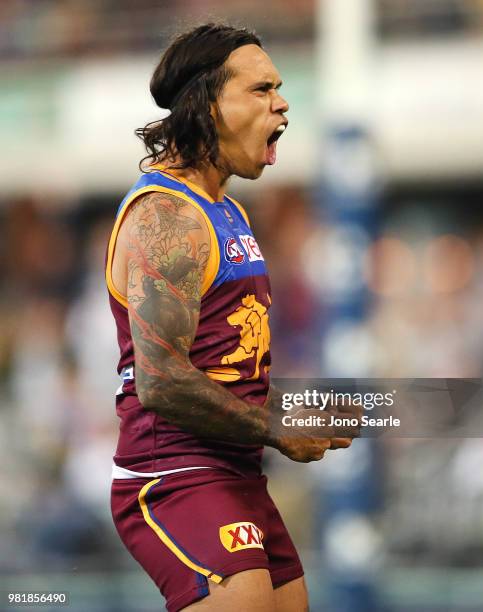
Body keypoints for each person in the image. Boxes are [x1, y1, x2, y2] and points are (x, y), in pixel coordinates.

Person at [106, 23, 358, 611]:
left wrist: (304, 409)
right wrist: (277, 427)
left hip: (238, 473)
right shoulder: (164, 217)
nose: (282, 101)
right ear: (208, 105)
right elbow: (161, 379)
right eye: (262, 88)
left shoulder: (229, 211)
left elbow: (229, 364)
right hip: (172, 475)